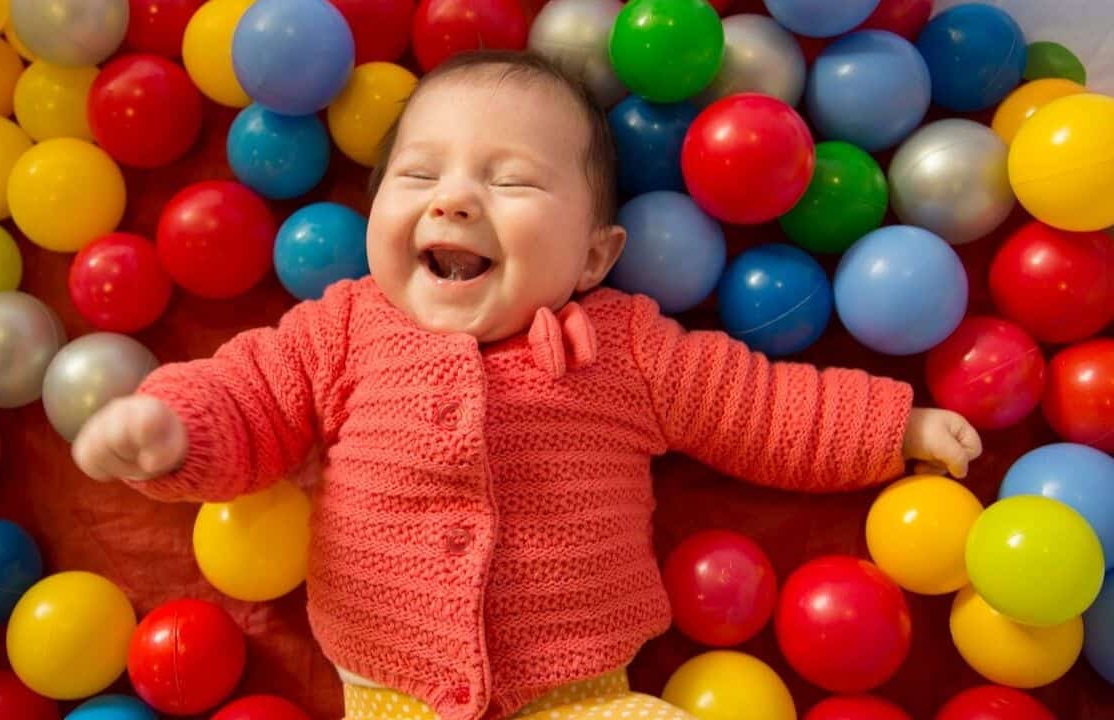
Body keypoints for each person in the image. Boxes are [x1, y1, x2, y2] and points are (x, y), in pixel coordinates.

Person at [72, 50, 982, 720]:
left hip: (578, 693)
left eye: (511, 182)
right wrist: (174, 429)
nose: (453, 199)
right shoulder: (343, 329)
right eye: (418, 174)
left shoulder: (627, 348)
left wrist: (892, 428)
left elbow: (759, 408)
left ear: (595, 255)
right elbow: (250, 398)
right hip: (394, 690)